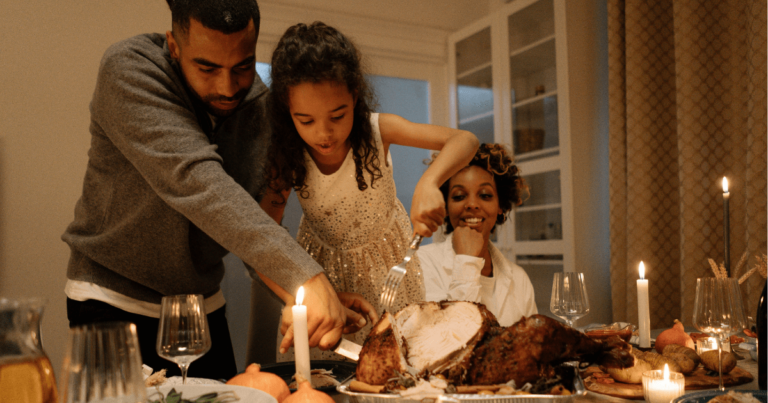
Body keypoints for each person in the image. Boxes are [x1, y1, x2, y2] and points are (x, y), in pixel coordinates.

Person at [61, 0, 353, 381]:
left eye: (243, 66)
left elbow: (249, 221)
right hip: (110, 300)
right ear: (174, 45)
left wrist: (308, 297)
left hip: (201, 309)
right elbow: (197, 183)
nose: (228, 87)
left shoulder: (261, 106)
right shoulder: (129, 68)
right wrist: (306, 276)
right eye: (207, 67)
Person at [264, 22, 480, 360]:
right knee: (326, 375)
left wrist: (429, 181)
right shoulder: (287, 155)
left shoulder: (379, 130)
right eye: (305, 120)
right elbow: (262, 238)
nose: (324, 133)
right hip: (321, 275)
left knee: (398, 367)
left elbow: (465, 140)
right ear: (286, 111)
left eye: (338, 115)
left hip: (390, 272)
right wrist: (300, 294)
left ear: (355, 97)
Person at [417, 143, 537, 327]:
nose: (472, 204)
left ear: (500, 206)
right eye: (458, 196)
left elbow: (532, 347)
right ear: (445, 206)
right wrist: (467, 260)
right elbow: (449, 342)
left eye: (485, 195)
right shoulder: (422, 264)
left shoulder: (519, 279)